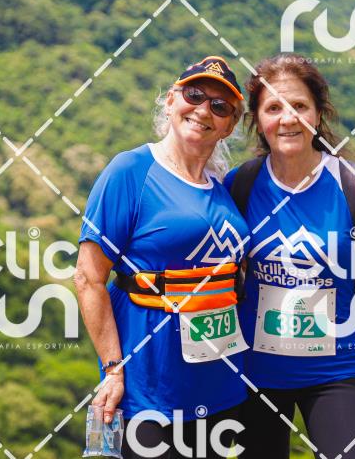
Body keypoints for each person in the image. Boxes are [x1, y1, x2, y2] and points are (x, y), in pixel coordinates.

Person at [74, 56, 252, 459]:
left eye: (220, 106)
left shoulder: (221, 186)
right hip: (150, 388)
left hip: (221, 385)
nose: (203, 110)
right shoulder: (131, 171)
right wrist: (113, 369)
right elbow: (88, 278)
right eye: (194, 95)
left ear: (229, 125)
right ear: (171, 100)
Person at [224, 54, 355, 459]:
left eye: (299, 106)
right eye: (273, 108)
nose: (288, 119)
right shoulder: (240, 186)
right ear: (258, 121)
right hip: (256, 374)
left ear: (318, 114)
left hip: (338, 372)